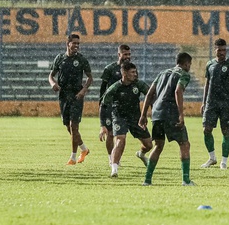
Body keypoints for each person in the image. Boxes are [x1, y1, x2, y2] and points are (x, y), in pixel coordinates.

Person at [139, 52, 194, 186]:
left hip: (156, 113)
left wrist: (143, 114)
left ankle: (147, 180)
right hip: (170, 114)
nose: (190, 67)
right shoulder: (184, 74)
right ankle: (186, 180)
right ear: (186, 63)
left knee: (158, 146)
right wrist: (181, 114)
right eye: (190, 65)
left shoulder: (163, 73)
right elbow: (178, 91)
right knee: (184, 144)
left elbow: (150, 93)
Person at [99, 61, 152, 178]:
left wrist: (151, 111)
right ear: (124, 73)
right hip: (119, 116)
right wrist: (103, 125)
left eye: (135, 71)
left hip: (136, 118)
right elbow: (103, 105)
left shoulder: (139, 85)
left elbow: (151, 95)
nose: (135, 74)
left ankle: (141, 154)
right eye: (132, 72)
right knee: (120, 141)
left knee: (148, 145)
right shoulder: (115, 87)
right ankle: (114, 169)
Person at [49, 34, 93, 166]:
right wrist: (53, 83)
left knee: (74, 127)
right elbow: (51, 75)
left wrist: (83, 90)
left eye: (78, 44)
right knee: (68, 127)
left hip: (76, 96)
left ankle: (73, 157)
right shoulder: (60, 58)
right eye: (74, 43)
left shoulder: (81, 59)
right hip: (63, 96)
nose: (76, 46)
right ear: (67, 43)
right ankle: (84, 149)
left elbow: (90, 78)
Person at [200, 38, 229, 169]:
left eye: (224, 50)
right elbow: (207, 84)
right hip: (211, 103)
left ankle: (224, 162)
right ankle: (212, 158)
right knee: (206, 130)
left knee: (226, 132)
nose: (222, 52)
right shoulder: (210, 65)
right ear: (215, 49)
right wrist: (203, 102)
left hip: (226, 104)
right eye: (219, 50)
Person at [99, 44, 133, 164]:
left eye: (129, 54)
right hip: (110, 105)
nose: (127, 57)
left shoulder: (131, 69)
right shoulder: (110, 69)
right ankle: (110, 157)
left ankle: (115, 157)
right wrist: (101, 104)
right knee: (110, 133)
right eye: (125, 54)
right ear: (119, 55)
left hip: (123, 107)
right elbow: (103, 89)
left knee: (121, 135)